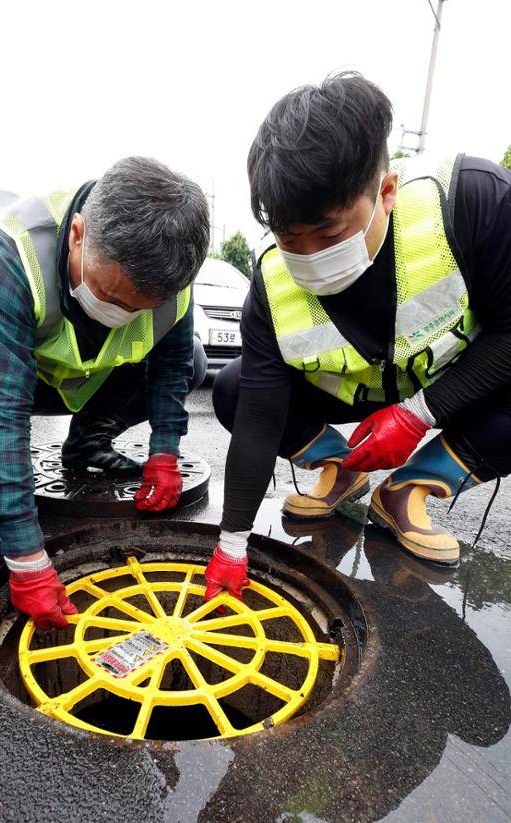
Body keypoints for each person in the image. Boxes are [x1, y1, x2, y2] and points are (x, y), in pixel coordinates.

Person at [205, 72, 511, 600]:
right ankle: (342, 471)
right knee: (234, 387)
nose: (309, 255)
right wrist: (232, 544)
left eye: (330, 233)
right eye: (289, 237)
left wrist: (420, 413)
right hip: (354, 395)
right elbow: (258, 416)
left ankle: (408, 488)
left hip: (449, 379)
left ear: (386, 192)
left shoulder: (473, 203)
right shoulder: (271, 283)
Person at [0, 157, 209, 629]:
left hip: (98, 382)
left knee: (193, 357)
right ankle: (3, 472)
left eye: (139, 309)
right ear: (77, 234)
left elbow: (172, 368)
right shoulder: (12, 253)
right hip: (18, 380)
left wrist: (165, 452)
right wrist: (24, 554)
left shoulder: (172, 282)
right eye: (111, 297)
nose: (122, 314)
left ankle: (89, 439)